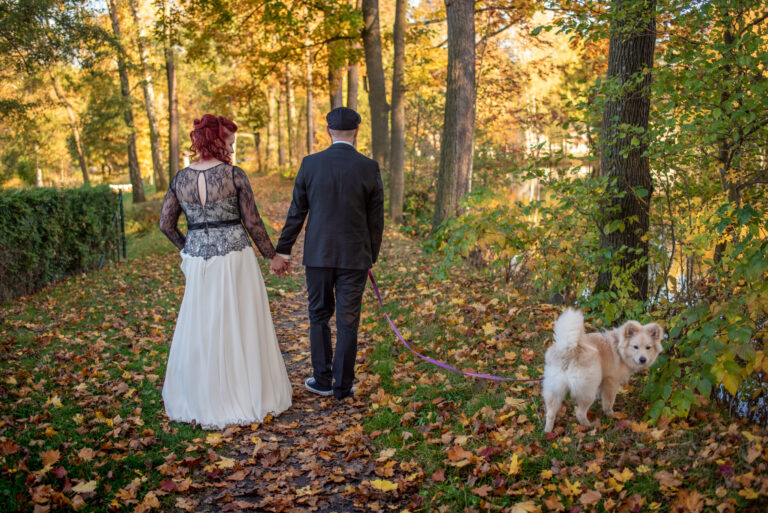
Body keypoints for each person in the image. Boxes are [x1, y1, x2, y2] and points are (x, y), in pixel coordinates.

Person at [158, 114, 292, 429]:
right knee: (241, 322)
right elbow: (252, 221)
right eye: (229, 142)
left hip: (199, 262)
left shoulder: (180, 179)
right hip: (235, 259)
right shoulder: (234, 175)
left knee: (203, 325)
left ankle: (203, 397)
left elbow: (165, 224)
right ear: (217, 141)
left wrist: (188, 249)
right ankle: (245, 394)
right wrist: (272, 256)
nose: (231, 149)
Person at [276, 107, 384, 400]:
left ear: (328, 131)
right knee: (348, 321)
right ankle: (342, 387)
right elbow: (376, 219)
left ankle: (322, 380)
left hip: (318, 255)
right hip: (355, 257)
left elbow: (297, 211)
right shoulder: (369, 167)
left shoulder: (311, 164)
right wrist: (371, 255)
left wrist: (283, 249)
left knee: (319, 316)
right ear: (357, 132)